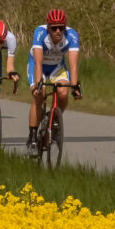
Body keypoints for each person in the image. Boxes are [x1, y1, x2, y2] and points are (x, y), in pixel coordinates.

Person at [27, 9, 81, 153]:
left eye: (61, 28)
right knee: (39, 95)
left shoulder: (72, 35)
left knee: (63, 92)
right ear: (48, 27)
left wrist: (75, 86)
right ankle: (32, 137)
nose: (58, 31)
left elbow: (73, 65)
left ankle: (53, 118)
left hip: (57, 66)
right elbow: (38, 64)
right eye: (54, 28)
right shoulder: (39, 33)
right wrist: (38, 84)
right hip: (38, 65)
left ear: (65, 27)